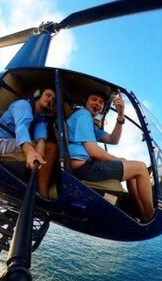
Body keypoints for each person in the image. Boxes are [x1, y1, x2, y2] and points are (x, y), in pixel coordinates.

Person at [66, 89, 154, 222]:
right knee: (141, 168)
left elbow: (114, 139)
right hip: (83, 168)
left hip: (84, 167)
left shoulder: (89, 123)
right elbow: (94, 152)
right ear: (85, 102)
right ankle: (150, 215)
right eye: (94, 99)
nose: (98, 103)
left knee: (131, 169)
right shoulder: (83, 115)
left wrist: (120, 115)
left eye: (101, 102)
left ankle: (141, 211)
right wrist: (120, 160)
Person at [0, 88, 57, 198]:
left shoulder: (40, 117)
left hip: (15, 143)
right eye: (48, 95)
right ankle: (38, 193)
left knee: (51, 147)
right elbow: (22, 127)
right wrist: (30, 151)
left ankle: (42, 193)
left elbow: (41, 132)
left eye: (53, 99)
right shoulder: (22, 105)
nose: (50, 99)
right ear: (37, 95)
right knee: (33, 145)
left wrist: (41, 144)